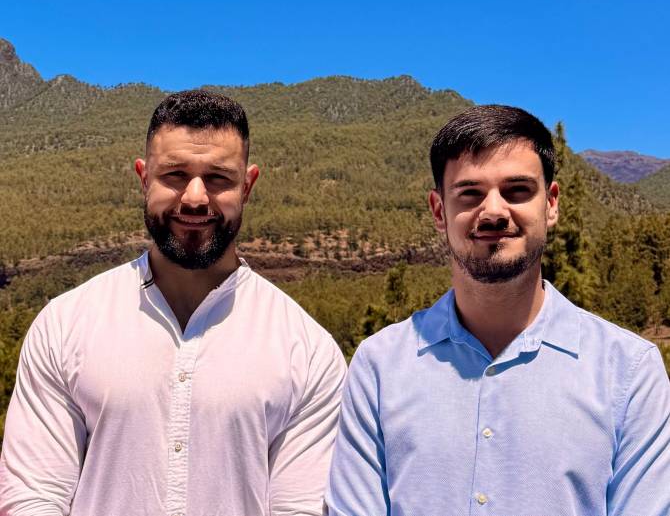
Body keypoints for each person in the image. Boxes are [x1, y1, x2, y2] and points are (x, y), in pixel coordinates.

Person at [0, 90, 347, 516]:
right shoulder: (65, 325)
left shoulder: (307, 350)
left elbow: (301, 508)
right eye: (176, 175)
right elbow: (34, 496)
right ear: (144, 178)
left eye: (218, 178)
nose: (196, 198)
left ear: (247, 185)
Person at [326, 105, 670, 516]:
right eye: (470, 193)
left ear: (551, 204)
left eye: (517, 190)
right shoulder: (379, 367)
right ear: (439, 211)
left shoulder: (629, 372)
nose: (493, 211)